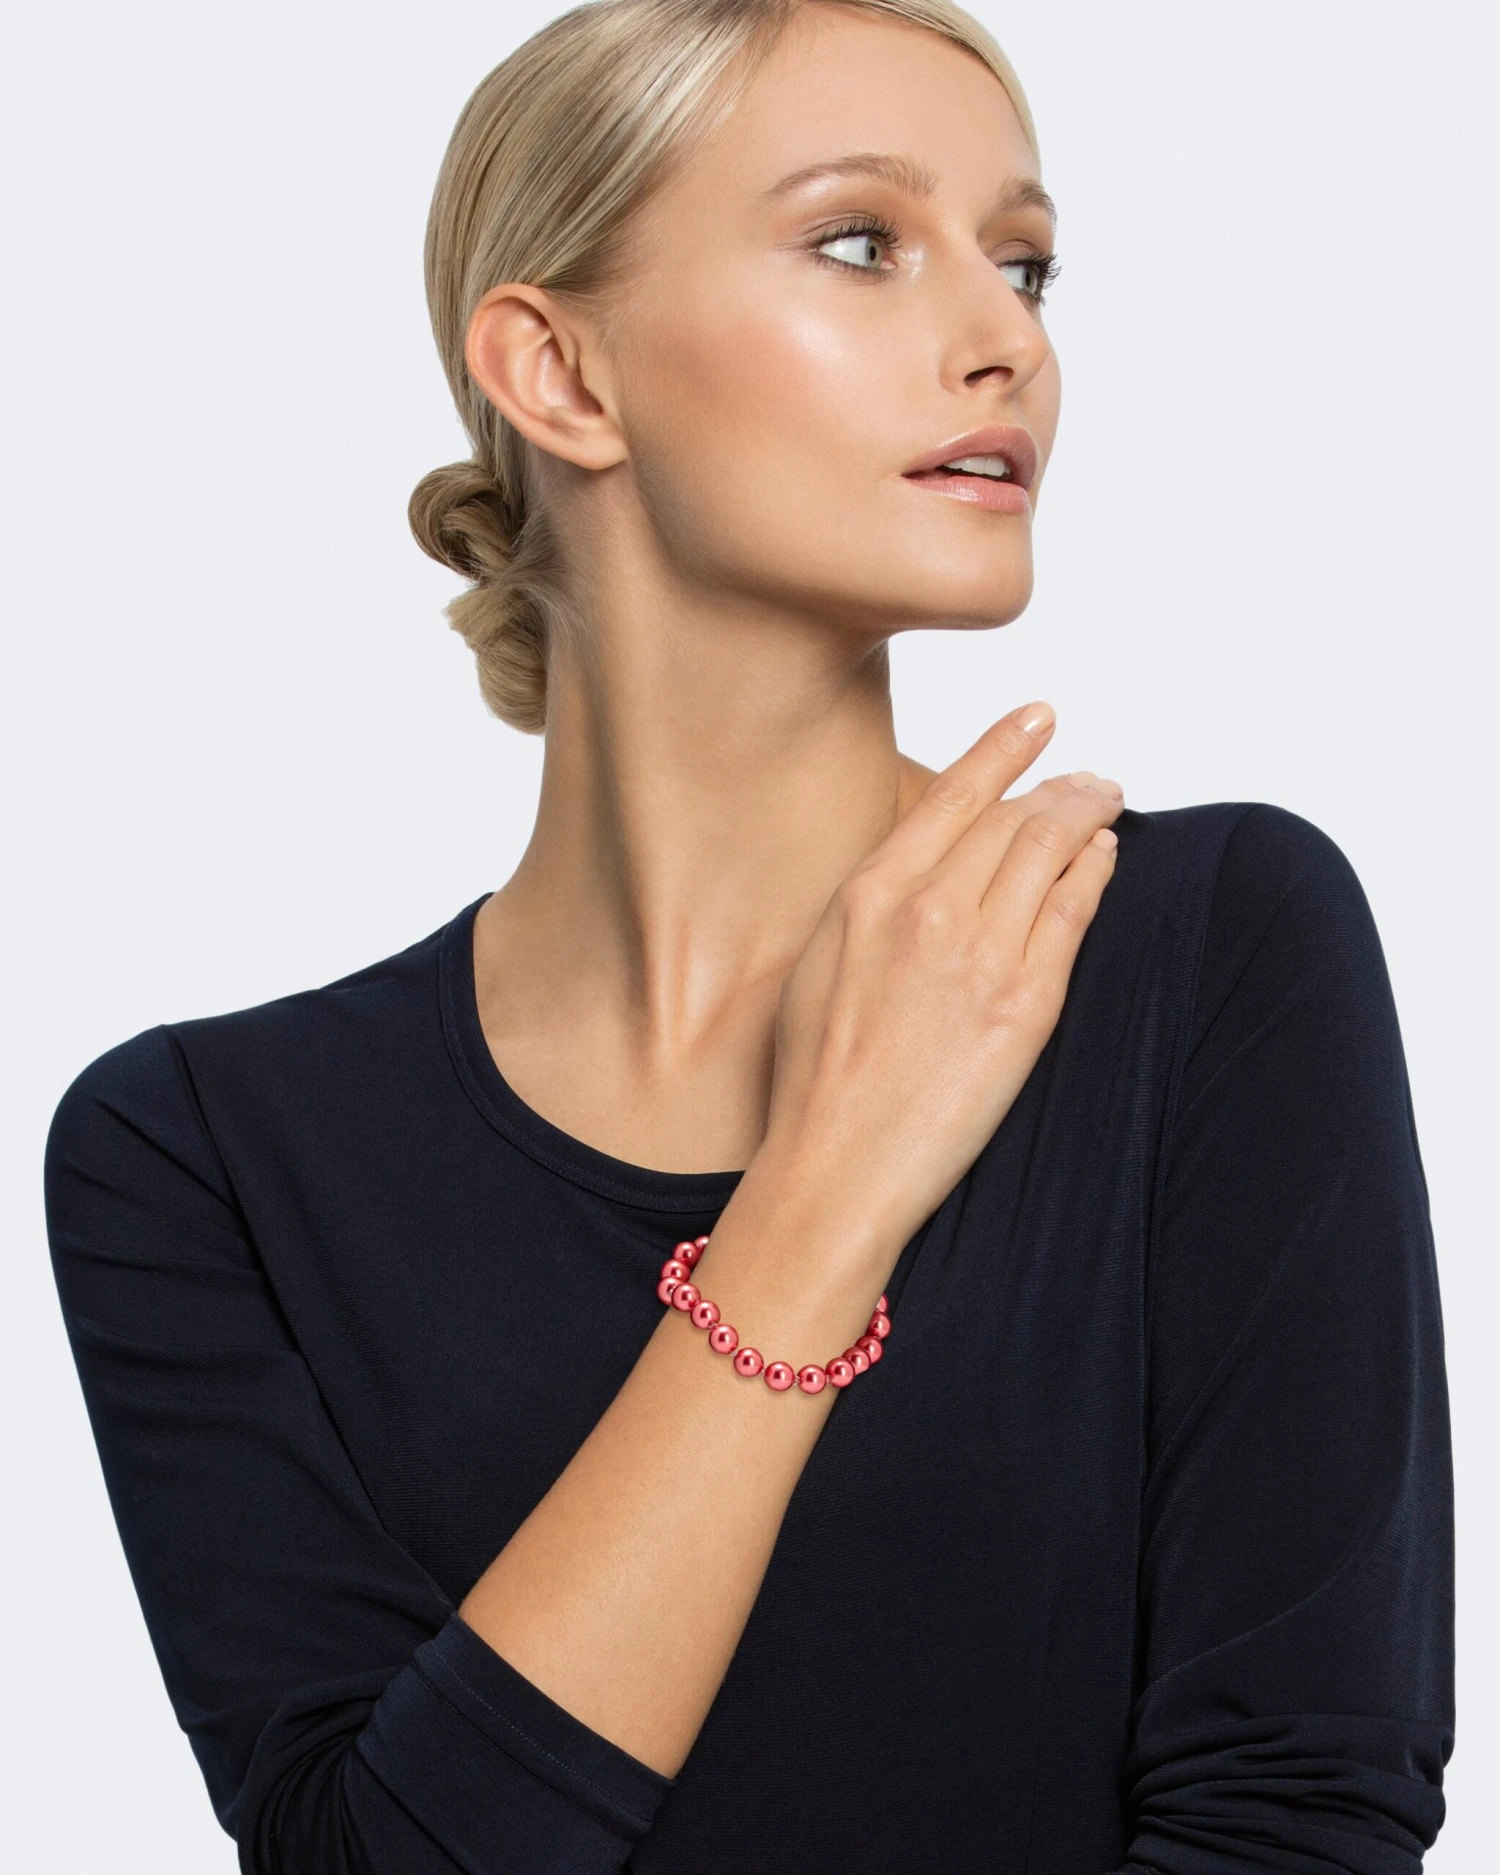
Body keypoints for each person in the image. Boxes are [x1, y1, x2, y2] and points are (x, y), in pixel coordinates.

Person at [43, 1, 1455, 1869]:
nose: (1009, 337)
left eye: (1026, 262)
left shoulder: (1205, 954)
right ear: (561, 372)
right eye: (863, 241)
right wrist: (814, 1208)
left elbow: (1302, 1814)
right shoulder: (197, 1152)